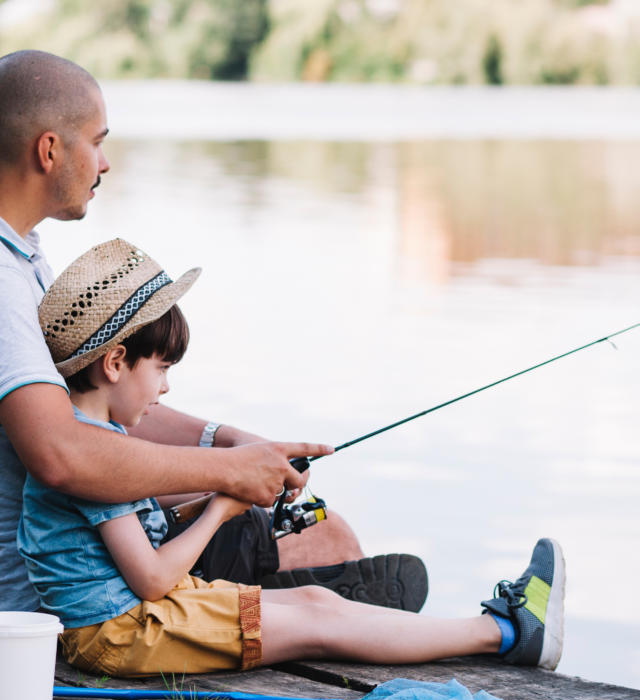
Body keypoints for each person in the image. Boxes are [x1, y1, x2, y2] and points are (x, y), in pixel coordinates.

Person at [0, 49, 427, 615]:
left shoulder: (24, 258)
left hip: (74, 556)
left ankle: (296, 614)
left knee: (301, 523)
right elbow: (61, 453)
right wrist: (229, 472)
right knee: (322, 539)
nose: (105, 163)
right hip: (50, 598)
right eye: (97, 141)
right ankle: (305, 618)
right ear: (49, 149)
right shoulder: (4, 283)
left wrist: (230, 444)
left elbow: (86, 402)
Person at [18, 239, 565, 676]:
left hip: (134, 620)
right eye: (161, 369)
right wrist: (219, 511)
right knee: (319, 621)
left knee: (313, 598)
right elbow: (152, 578)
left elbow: (137, 543)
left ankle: (502, 629)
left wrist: (225, 490)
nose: (165, 388)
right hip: (127, 633)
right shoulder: (98, 456)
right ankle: (506, 633)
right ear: (115, 362)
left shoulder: (97, 437)